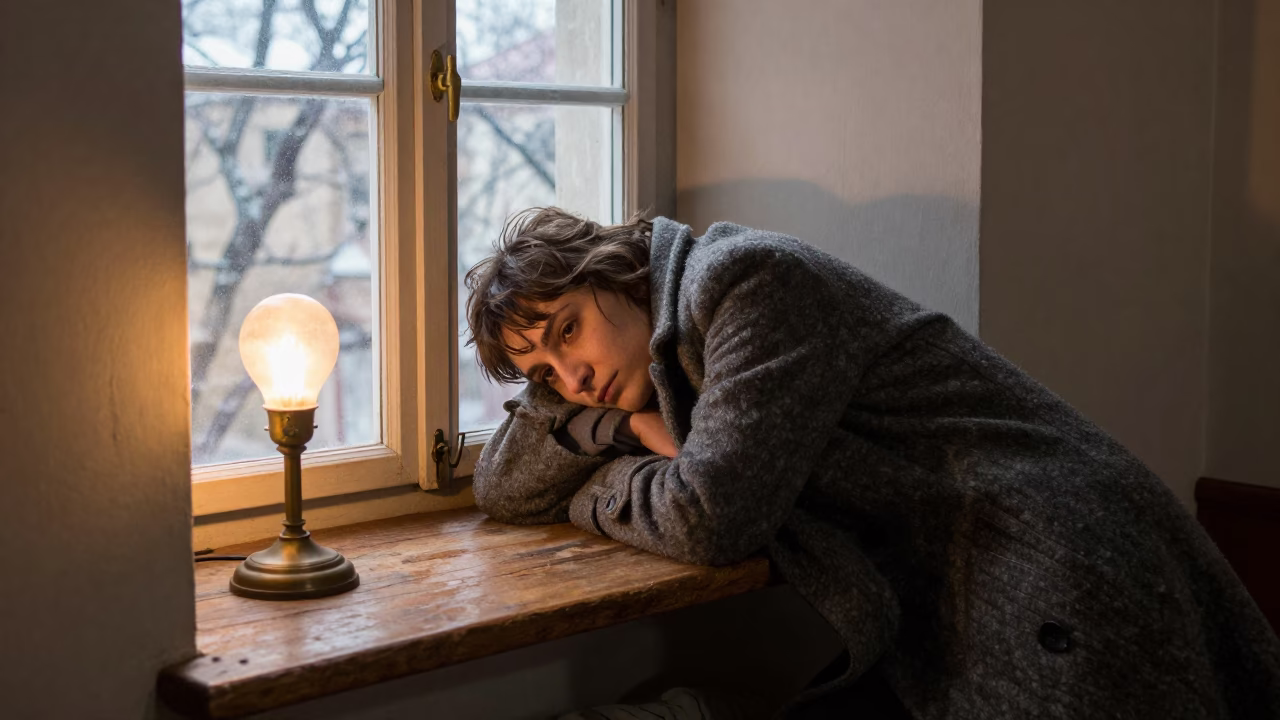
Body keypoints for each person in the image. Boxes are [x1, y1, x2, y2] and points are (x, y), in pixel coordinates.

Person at [463, 207, 1280, 718]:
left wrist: (599, 486)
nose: (573, 378)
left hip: (1048, 563)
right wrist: (620, 432)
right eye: (544, 376)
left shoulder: (745, 282)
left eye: (568, 330)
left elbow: (712, 516)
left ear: (619, 271)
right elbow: (502, 485)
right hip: (950, 590)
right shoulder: (650, 361)